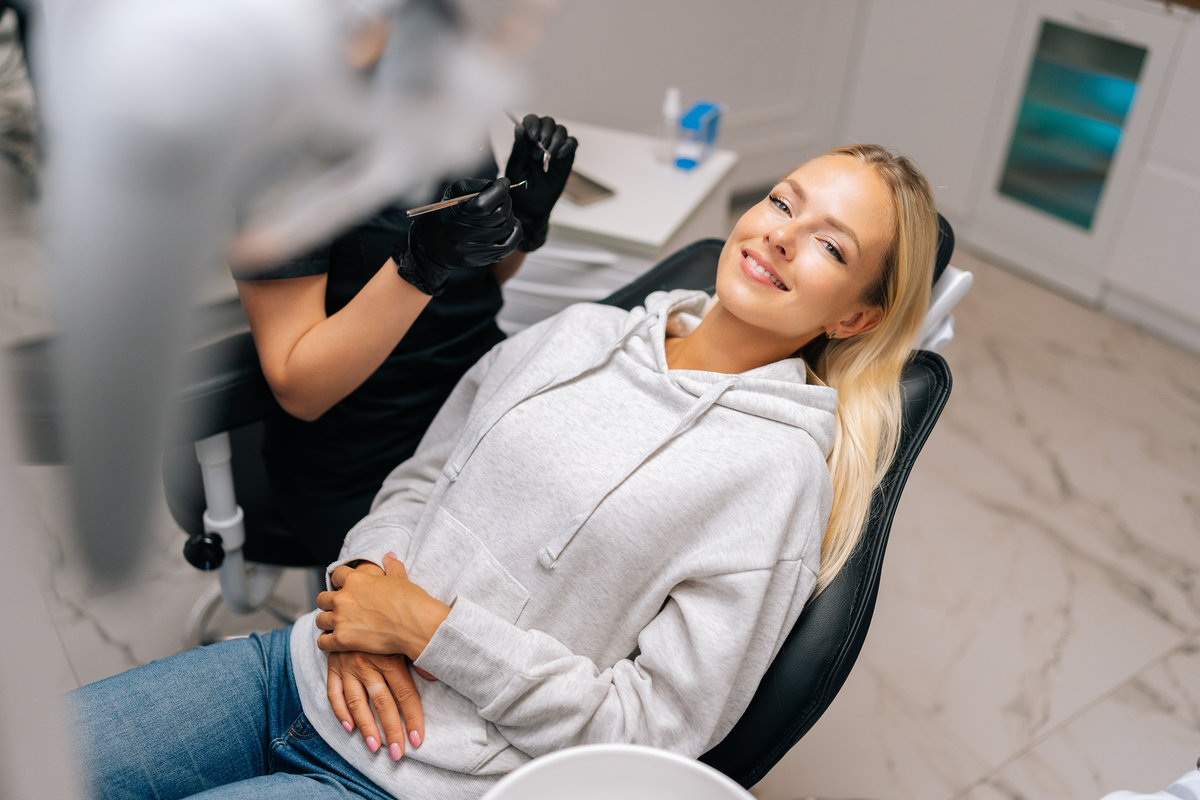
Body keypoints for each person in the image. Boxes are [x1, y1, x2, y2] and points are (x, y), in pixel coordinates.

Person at [66, 144, 940, 800]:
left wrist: (429, 630)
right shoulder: (578, 335)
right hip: (296, 666)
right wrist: (363, 582)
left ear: (857, 316)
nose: (782, 236)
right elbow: (418, 479)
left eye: (830, 246)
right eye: (784, 201)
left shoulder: (775, 475)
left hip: (412, 779)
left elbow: (651, 733)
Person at [230, 114, 577, 563]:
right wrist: (421, 263)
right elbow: (300, 390)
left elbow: (480, 280)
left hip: (478, 407)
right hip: (367, 458)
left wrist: (524, 221)